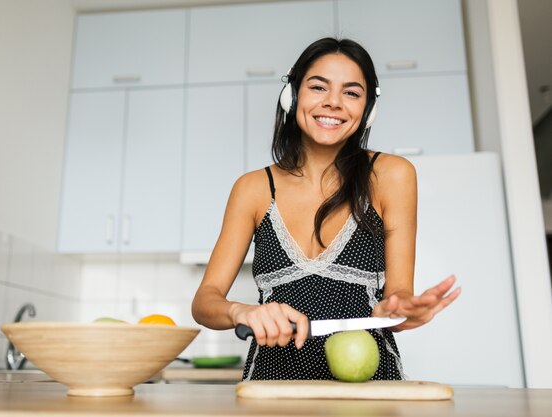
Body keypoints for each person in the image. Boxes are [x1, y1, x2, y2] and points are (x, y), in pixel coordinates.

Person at [191, 37, 461, 381]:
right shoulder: (253, 189)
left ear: (367, 109)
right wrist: (239, 311)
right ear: (292, 95)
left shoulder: (392, 175)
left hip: (371, 386)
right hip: (271, 388)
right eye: (318, 87)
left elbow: (397, 296)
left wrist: (400, 308)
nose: (333, 103)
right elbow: (204, 301)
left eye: (351, 92)